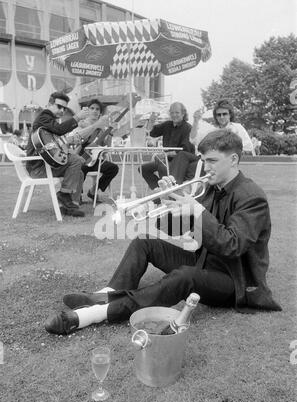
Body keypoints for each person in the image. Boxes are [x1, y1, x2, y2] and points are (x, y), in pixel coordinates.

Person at [44, 129, 281, 335]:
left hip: (234, 280)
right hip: (205, 260)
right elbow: (185, 227)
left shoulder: (252, 197)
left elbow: (231, 245)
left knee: (185, 277)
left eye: (212, 161)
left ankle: (97, 313)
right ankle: (106, 294)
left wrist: (196, 211)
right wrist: (170, 199)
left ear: (233, 159)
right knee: (145, 241)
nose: (205, 168)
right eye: (203, 160)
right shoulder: (212, 187)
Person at [26, 92, 107, 217]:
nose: (62, 110)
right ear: (49, 104)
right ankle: (64, 194)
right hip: (39, 168)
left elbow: (54, 143)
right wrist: (77, 117)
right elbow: (60, 130)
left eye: (64, 108)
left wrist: (68, 142)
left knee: (79, 172)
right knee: (76, 160)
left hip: (46, 164)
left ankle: (70, 205)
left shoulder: (50, 122)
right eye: (59, 106)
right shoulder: (44, 116)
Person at [139, 102, 198, 190]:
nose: (174, 115)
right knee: (143, 168)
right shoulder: (167, 125)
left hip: (182, 161)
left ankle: (168, 193)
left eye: (177, 112)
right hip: (166, 160)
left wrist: (165, 154)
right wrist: (151, 120)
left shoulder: (188, 128)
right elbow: (151, 132)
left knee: (162, 167)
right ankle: (159, 191)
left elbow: (185, 150)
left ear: (183, 113)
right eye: (172, 112)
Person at [77, 99, 119, 203]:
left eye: (97, 109)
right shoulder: (81, 124)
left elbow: (107, 146)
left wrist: (110, 133)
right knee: (81, 168)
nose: (95, 111)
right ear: (88, 111)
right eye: (92, 108)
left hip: (96, 159)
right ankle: (77, 195)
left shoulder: (103, 127)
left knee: (113, 168)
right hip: (82, 157)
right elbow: (78, 141)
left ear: (100, 112)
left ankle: (92, 191)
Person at [190, 99, 255, 156]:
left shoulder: (237, 128)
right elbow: (193, 140)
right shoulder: (212, 131)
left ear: (230, 114)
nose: (221, 117)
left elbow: (248, 147)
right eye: (219, 115)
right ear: (216, 117)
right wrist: (195, 121)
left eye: (224, 114)